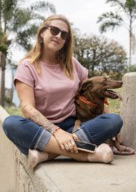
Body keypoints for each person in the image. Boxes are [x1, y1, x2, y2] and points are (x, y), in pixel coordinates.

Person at [3, 14, 129, 169]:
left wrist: (109, 120)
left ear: (66, 41)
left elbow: (94, 92)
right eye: (54, 30)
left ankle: (46, 154)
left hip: (74, 127)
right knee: (11, 124)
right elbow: (27, 109)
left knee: (114, 120)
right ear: (42, 32)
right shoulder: (27, 66)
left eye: (64, 34)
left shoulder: (72, 64)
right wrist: (56, 131)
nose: (58, 36)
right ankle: (88, 154)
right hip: (41, 130)